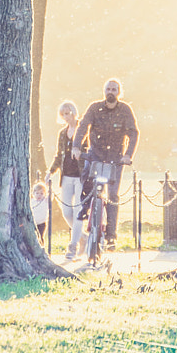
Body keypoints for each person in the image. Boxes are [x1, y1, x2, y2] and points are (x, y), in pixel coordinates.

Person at [72, 77, 139, 250]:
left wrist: (127, 155)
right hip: (95, 154)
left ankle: (111, 236)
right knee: (86, 179)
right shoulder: (94, 108)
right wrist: (76, 147)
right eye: (108, 89)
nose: (111, 92)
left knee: (113, 196)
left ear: (119, 93)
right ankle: (85, 208)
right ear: (104, 91)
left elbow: (133, 133)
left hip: (115, 158)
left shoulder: (125, 110)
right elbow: (83, 126)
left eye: (114, 89)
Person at [48, 100, 86, 261]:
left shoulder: (84, 129)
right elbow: (59, 155)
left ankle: (73, 246)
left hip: (81, 176)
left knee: (78, 211)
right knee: (66, 212)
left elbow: (90, 151)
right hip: (67, 176)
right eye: (63, 114)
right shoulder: (63, 133)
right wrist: (51, 171)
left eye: (68, 113)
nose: (66, 116)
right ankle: (84, 237)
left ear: (74, 112)